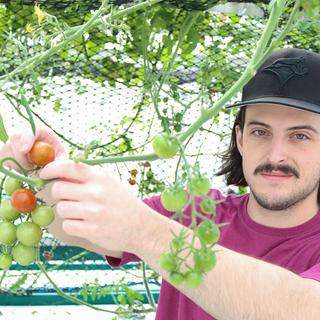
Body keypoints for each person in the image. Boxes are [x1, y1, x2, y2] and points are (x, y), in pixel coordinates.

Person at [2, 47, 320, 319]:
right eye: (260, 132)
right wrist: (42, 177)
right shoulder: (197, 212)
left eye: (300, 136)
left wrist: (146, 232)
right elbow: (78, 228)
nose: (276, 154)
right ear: (239, 139)